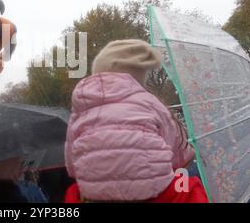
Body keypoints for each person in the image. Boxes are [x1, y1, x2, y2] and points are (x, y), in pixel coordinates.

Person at [65, 39, 209, 203]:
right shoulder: (151, 103)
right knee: (188, 186)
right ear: (139, 78)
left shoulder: (81, 107)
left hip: (97, 195)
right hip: (155, 192)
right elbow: (178, 157)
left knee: (74, 192)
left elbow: (71, 164)